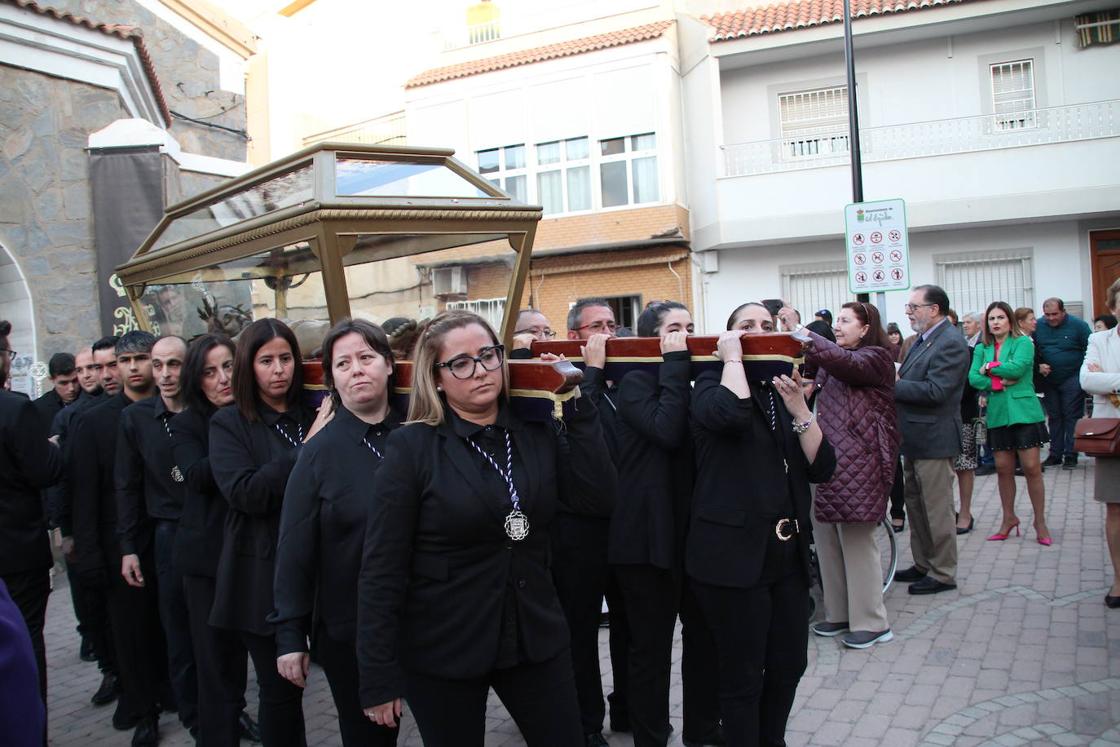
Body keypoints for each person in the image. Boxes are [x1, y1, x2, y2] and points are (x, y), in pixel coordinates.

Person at [356, 310, 616, 746]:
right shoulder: (412, 448)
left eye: (488, 355)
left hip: (533, 632)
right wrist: (378, 675)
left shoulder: (534, 431)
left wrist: (575, 404)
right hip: (446, 643)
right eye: (460, 363)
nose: (480, 371)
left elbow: (597, 498)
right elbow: (382, 567)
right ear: (436, 377)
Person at [687, 302, 834, 746]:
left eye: (766, 327)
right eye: (746, 326)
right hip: (731, 559)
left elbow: (823, 466)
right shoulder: (709, 383)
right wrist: (731, 358)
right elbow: (730, 416)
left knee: (790, 663)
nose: (758, 333)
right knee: (743, 676)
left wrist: (799, 408)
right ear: (728, 334)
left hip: (785, 556)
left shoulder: (779, 390)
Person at [272, 319, 401, 746]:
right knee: (370, 736)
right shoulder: (319, 454)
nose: (357, 370)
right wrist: (290, 633)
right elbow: (294, 546)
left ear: (389, 365)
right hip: (351, 626)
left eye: (366, 358)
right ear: (332, 379)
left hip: (427, 617)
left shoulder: (420, 432)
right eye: (343, 363)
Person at [605, 301, 721, 747]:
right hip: (646, 536)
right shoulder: (636, 382)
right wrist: (674, 364)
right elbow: (667, 429)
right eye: (675, 328)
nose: (686, 335)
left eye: (690, 327)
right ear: (654, 338)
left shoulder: (696, 376)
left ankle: (702, 728)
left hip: (692, 530)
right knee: (650, 648)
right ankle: (651, 735)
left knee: (703, 638)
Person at [209, 318, 323, 747]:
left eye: (286, 358)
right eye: (266, 360)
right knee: (281, 690)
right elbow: (246, 493)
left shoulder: (313, 411)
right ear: (247, 367)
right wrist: (308, 449)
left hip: (320, 567)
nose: (279, 370)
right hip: (261, 576)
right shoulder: (230, 423)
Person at [70, 331, 169, 745]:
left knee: (174, 628)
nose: (131, 367)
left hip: (168, 538)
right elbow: (85, 495)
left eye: (141, 358)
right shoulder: (94, 422)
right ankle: (143, 708)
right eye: (123, 360)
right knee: (129, 634)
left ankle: (175, 693)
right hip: (120, 549)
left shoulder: (175, 411)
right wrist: (91, 556)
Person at [170, 334, 259, 745]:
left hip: (251, 554)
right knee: (214, 664)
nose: (222, 379)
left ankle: (235, 718)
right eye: (209, 372)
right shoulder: (187, 424)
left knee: (245, 663)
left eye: (228, 366)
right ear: (196, 380)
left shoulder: (254, 414)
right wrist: (234, 454)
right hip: (206, 561)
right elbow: (196, 476)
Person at [801, 302, 900, 649]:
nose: (838, 326)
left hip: (862, 461)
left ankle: (872, 622)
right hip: (827, 461)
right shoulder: (834, 359)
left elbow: (848, 365)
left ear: (865, 326)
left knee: (857, 541)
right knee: (827, 538)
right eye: (837, 320)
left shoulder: (875, 358)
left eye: (845, 321)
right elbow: (815, 367)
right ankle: (840, 613)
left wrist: (805, 335)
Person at [115, 335, 200, 735]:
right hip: (167, 536)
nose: (164, 374)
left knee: (216, 632)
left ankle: (226, 710)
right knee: (178, 633)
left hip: (210, 530)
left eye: (174, 364)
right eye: (158, 363)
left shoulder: (207, 412)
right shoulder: (135, 420)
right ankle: (193, 716)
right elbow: (127, 485)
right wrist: (129, 547)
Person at [558, 298, 631, 744]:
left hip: (625, 523)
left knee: (630, 626)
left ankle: (627, 709)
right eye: (596, 326)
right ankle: (587, 724)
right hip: (577, 529)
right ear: (575, 337)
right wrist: (593, 374)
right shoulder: (559, 380)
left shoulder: (630, 376)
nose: (607, 333)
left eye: (611, 324)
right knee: (580, 632)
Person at [0, 319, 62, 734]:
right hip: (17, 552)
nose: (11, 360)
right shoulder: (16, 409)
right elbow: (42, 471)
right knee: (23, 647)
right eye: (7, 353)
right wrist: (52, 449)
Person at [53, 336, 121, 707]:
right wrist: (68, 531)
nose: (102, 375)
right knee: (99, 614)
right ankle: (113, 673)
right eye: (92, 368)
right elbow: (69, 482)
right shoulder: (75, 418)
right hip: (95, 530)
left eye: (108, 365)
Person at [893, 285, 970, 596]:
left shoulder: (951, 342)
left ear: (934, 309)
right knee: (916, 505)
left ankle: (943, 572)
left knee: (936, 508)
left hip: (934, 438)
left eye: (914, 306)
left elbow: (937, 391)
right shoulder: (924, 339)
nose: (909, 312)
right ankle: (923, 563)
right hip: (914, 436)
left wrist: (893, 384)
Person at [969, 302, 1052, 546]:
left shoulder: (1023, 342)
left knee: (1031, 468)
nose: (995, 322)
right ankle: (1008, 518)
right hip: (997, 413)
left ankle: (1040, 521)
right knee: (1003, 469)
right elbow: (973, 377)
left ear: (1010, 320)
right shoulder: (982, 347)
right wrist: (994, 382)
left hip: (1024, 412)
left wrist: (990, 368)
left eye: (1000, 317)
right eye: (991, 318)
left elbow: (1018, 369)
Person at [1080, 277, 1120, 608]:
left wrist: (1109, 381)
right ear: (1113, 307)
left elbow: (1100, 380)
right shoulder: (1099, 339)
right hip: (1112, 433)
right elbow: (1087, 380)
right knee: (1115, 507)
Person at [1034, 297, 1092, 469]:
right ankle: (1055, 453)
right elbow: (1033, 350)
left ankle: (1071, 454)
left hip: (1072, 377)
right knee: (1054, 416)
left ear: (1063, 311)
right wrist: (1038, 365)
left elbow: (1090, 348)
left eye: (1055, 314)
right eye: (1047, 315)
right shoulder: (1038, 326)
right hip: (1049, 380)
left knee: (1071, 415)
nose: (1051, 318)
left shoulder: (1079, 326)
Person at [954, 313, 984, 534]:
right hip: (938, 419)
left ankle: (965, 512)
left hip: (964, 415)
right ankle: (947, 512)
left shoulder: (970, 352)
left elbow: (972, 384)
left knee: (965, 466)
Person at [33, 352, 80, 432]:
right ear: (51, 379)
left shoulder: (92, 400)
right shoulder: (38, 408)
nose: (71, 388)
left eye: (75, 381)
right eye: (64, 383)